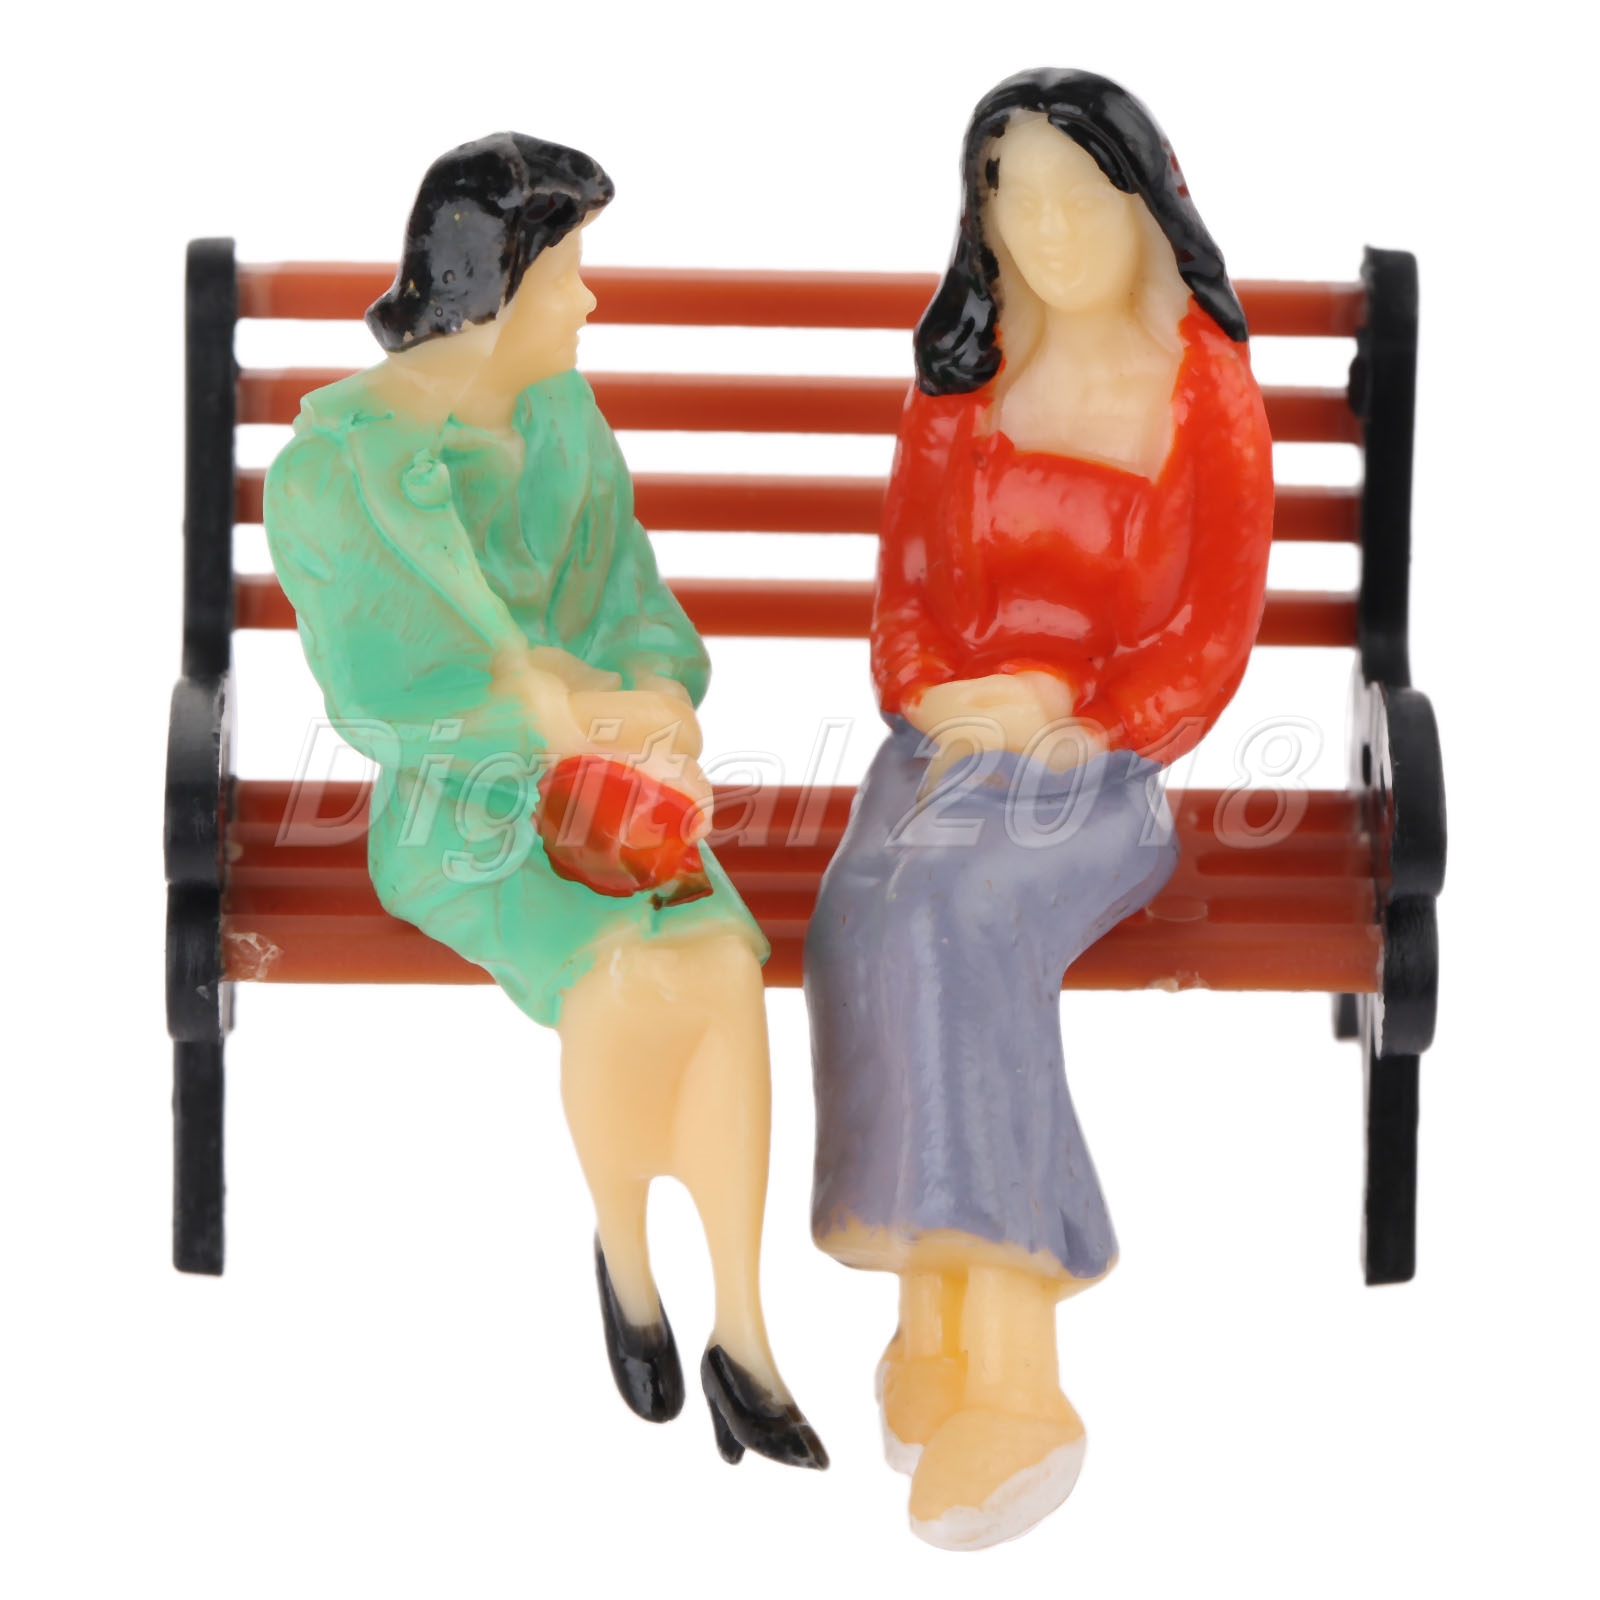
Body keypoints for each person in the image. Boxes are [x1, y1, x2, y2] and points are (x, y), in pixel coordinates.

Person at [265, 133, 825, 1470]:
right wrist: (554, 719)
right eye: (568, 272)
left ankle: (744, 1331)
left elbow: (634, 597)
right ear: (496, 286)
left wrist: (654, 694)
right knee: (626, 971)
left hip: (623, 794)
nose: (587, 299)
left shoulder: (565, 419)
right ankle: (630, 1268)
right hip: (459, 813)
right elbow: (380, 701)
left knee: (720, 963)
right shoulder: (338, 470)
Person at [805, 70, 1273, 1546]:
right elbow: (903, 594)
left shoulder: (1203, 391)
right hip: (946, 750)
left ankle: (1017, 1376)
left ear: (1150, 205)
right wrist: (943, 697)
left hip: (1101, 775)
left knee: (955, 917)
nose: (1050, 230)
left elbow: (1208, 641)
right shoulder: (963, 382)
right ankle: (931, 1314)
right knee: (859, 917)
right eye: (1015, 199)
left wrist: (1074, 718)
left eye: (1082, 196)